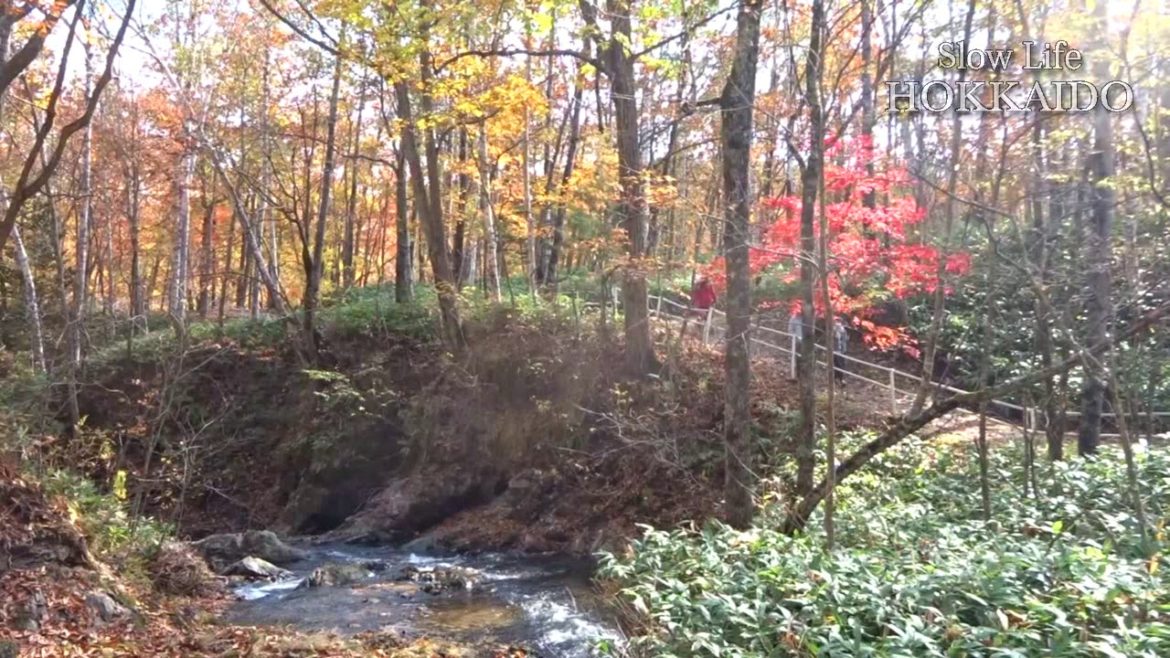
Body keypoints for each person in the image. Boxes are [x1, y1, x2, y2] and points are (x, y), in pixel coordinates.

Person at [833, 317, 849, 386]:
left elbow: (845, 339)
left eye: (839, 321)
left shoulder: (843, 330)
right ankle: (841, 379)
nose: (838, 323)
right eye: (836, 322)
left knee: (841, 364)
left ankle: (837, 378)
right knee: (838, 365)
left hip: (842, 350)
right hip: (835, 350)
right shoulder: (833, 330)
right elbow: (833, 338)